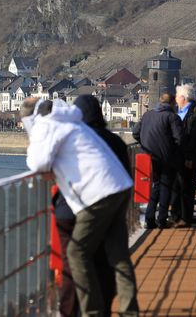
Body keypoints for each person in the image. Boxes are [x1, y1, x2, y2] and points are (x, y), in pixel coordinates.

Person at [20, 97, 139, 317]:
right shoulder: (73, 122)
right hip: (119, 187)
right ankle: (129, 310)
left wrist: (47, 166)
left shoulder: (47, 124)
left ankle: (91, 311)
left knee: (76, 252)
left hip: (96, 195)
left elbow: (37, 163)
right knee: (118, 254)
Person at [135, 93, 184, 229]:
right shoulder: (172, 117)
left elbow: (135, 132)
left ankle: (149, 219)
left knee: (156, 186)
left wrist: (145, 144)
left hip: (149, 157)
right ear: (172, 103)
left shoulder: (147, 115)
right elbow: (179, 138)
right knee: (166, 188)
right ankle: (162, 219)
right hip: (167, 158)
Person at [173, 84, 196, 226]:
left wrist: (189, 157)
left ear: (183, 98)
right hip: (182, 157)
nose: (175, 99)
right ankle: (177, 216)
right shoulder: (186, 112)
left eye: (177, 96)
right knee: (178, 187)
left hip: (189, 159)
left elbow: (195, 139)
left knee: (186, 188)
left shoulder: (194, 114)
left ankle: (185, 218)